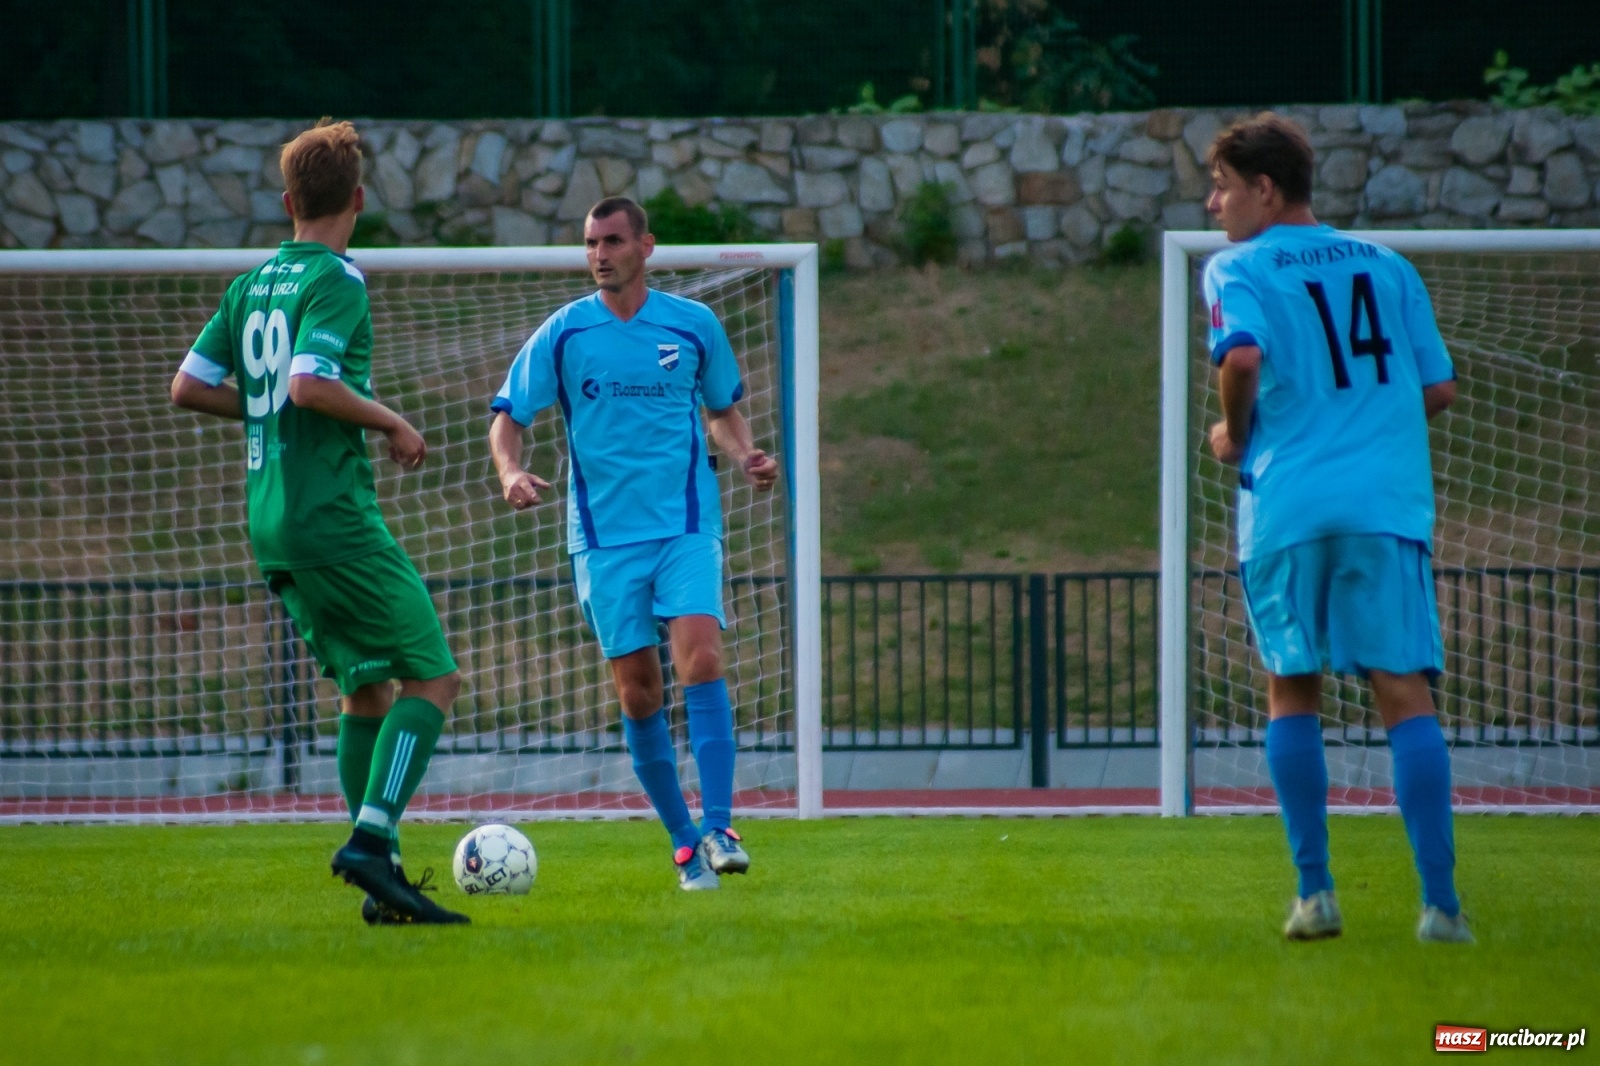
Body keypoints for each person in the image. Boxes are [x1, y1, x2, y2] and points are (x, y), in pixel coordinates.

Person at [170, 119, 467, 926]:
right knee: (432, 678)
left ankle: (387, 882)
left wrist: (263, 411)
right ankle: (371, 841)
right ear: (359, 200)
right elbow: (308, 385)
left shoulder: (251, 284)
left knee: (364, 691)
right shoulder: (336, 279)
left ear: (288, 199)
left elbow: (188, 388)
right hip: (330, 516)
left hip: (270, 521)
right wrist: (392, 421)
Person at [1202, 114, 1471, 943]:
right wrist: (1363, 412)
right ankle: (1441, 908)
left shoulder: (1236, 266)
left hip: (1289, 503)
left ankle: (1316, 896)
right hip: (1384, 503)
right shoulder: (1388, 266)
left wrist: (1235, 436)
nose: (1213, 204)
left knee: (1293, 689)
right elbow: (1437, 388)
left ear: (1264, 189)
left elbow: (1241, 359)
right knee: (1403, 690)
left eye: (1221, 185)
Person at [488, 196, 779, 891]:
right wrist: (510, 471)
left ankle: (721, 827)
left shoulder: (693, 324)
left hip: (685, 526)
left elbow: (721, 412)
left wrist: (746, 455)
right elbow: (507, 418)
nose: (600, 254)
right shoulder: (564, 334)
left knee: (703, 655)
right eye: (591, 243)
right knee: (641, 693)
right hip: (603, 542)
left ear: (646, 246)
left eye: (613, 241)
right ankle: (686, 846)